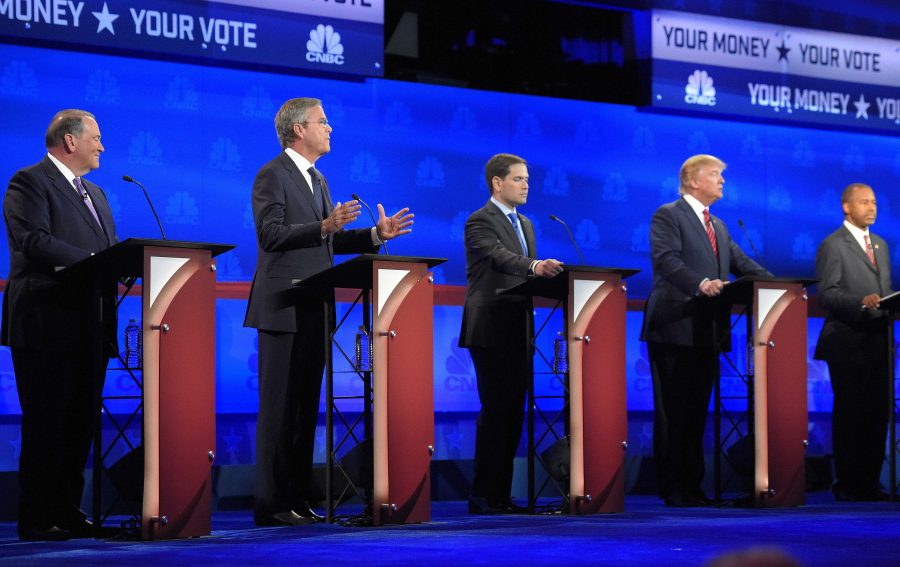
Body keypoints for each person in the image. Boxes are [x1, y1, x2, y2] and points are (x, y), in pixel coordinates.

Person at [243, 98, 414, 526]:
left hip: (314, 307)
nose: (330, 128)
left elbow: (328, 242)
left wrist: (376, 234)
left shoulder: (318, 179)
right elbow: (271, 235)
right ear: (299, 129)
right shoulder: (272, 174)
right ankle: (272, 504)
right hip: (282, 307)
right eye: (322, 121)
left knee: (304, 409)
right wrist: (323, 226)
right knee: (279, 408)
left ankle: (298, 499)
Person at [2, 110, 117, 540]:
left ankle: (67, 509)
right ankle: (37, 516)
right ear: (70, 141)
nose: (101, 146)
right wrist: (93, 262)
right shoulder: (28, 182)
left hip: (90, 324)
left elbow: (106, 251)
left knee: (80, 423)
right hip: (46, 321)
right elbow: (33, 240)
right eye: (96, 138)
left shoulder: (98, 194)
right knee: (47, 422)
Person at [641, 154, 770, 507]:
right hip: (674, 325)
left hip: (707, 330)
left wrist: (781, 287)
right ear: (693, 180)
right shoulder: (668, 215)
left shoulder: (721, 226)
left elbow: (742, 264)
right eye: (715, 175)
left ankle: (693, 486)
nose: (722, 181)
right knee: (673, 411)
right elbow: (666, 261)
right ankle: (674, 487)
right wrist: (701, 283)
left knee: (697, 411)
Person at [459, 153, 563, 514]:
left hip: (519, 328)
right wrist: (534, 265)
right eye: (518, 179)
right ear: (497, 183)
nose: (525, 186)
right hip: (489, 328)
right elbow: (499, 256)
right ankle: (483, 495)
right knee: (496, 410)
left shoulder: (528, 224)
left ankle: (501, 495)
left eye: (528, 180)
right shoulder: (479, 221)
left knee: (514, 413)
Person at [814, 182, 892, 502]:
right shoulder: (833, 245)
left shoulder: (882, 245)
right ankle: (847, 484)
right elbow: (828, 294)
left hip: (879, 340)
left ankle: (870, 483)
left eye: (874, 202)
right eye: (864, 202)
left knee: (877, 413)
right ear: (847, 207)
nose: (871, 207)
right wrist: (862, 302)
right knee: (851, 413)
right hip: (848, 339)